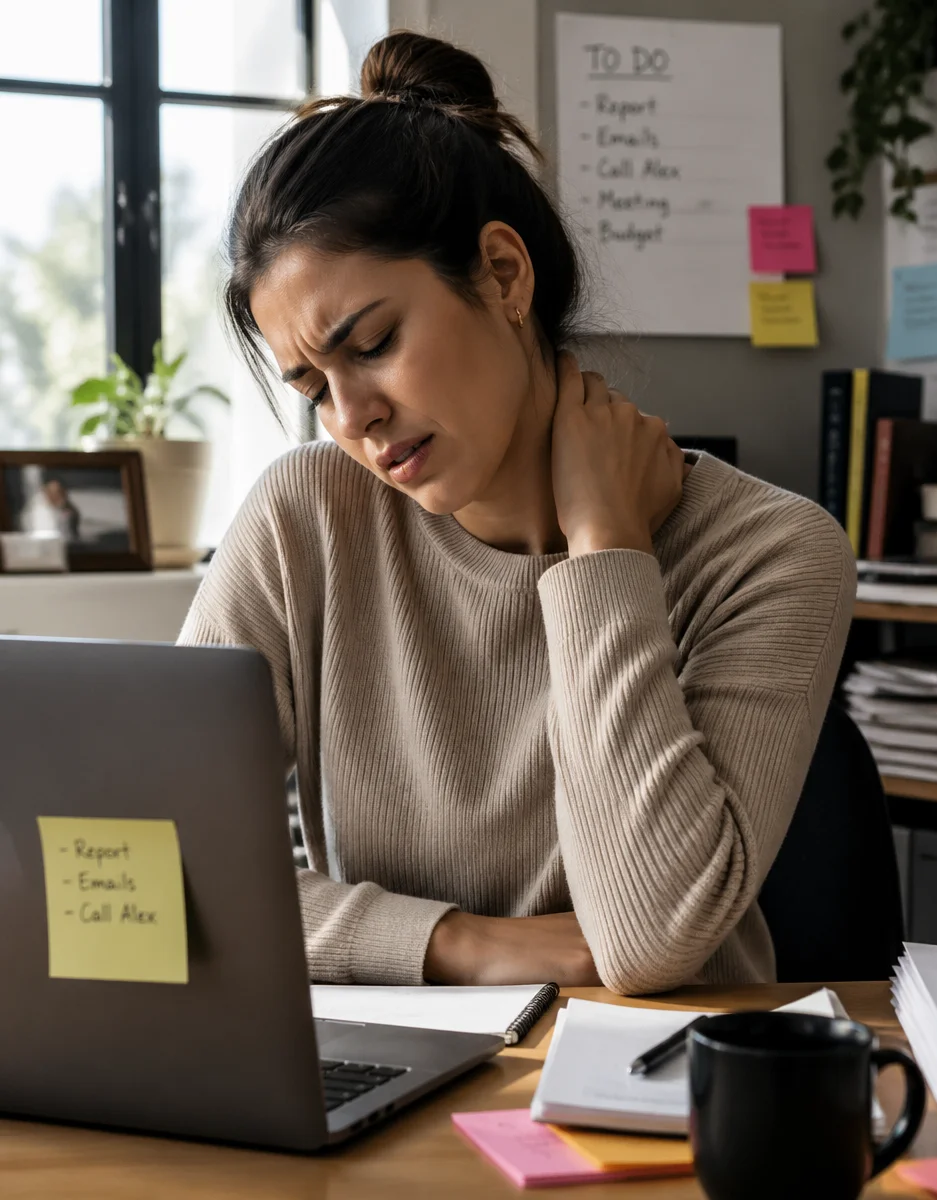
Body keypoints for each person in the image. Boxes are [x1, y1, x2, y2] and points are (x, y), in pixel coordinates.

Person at [178, 32, 855, 994]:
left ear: (504, 275)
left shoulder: (773, 553)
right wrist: (463, 943)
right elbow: (158, 860)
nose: (352, 417)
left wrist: (605, 554)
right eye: (311, 386)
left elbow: (648, 940)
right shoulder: (308, 513)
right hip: (384, 1066)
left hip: (653, 1090)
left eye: (371, 343)